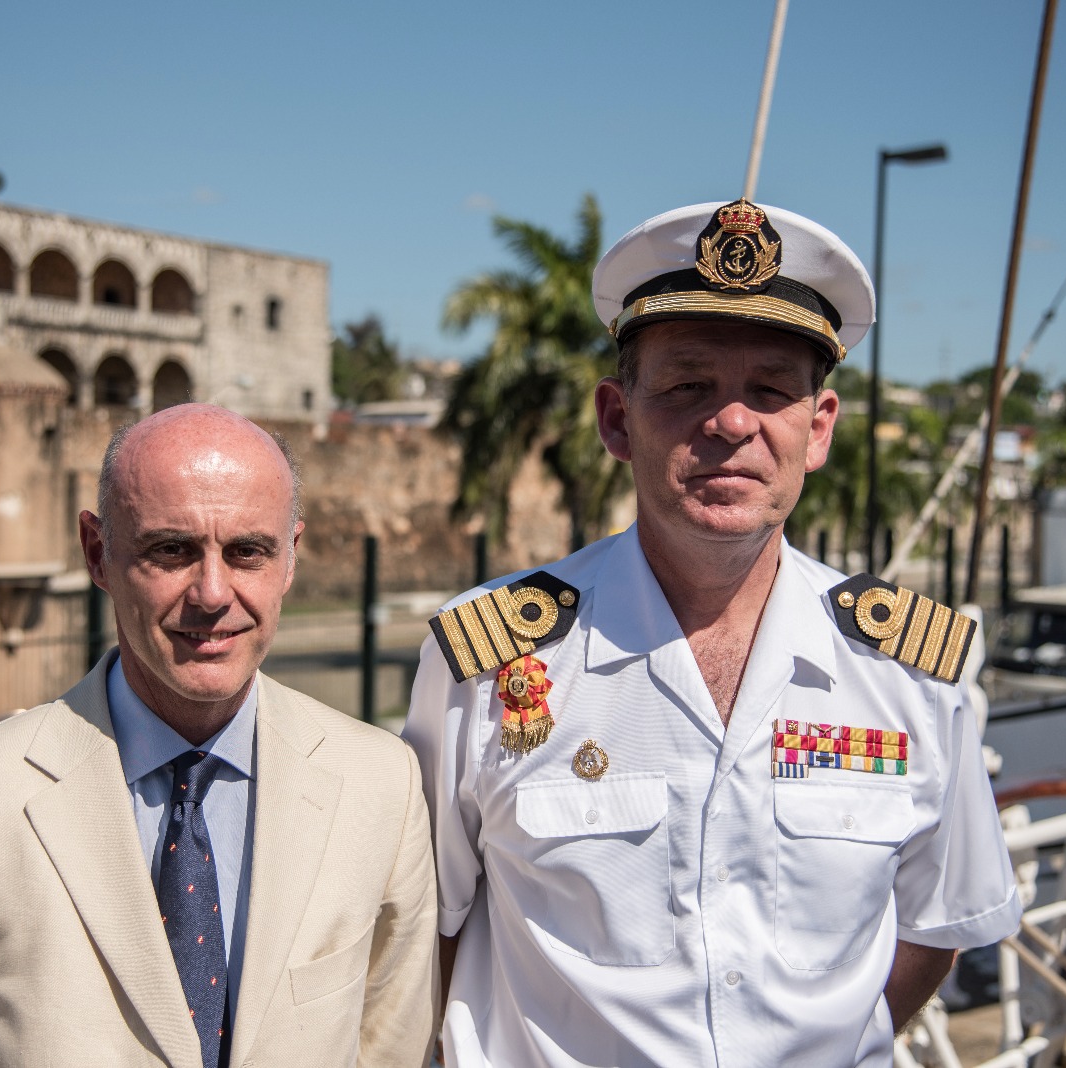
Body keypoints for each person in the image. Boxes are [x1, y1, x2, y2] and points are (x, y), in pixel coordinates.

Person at [403, 200, 1021, 1067]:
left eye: (770, 390)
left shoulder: (910, 674)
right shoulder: (489, 661)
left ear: (818, 429)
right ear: (616, 419)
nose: (731, 423)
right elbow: (424, 929)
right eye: (688, 386)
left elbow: (933, 929)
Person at [0, 403, 438, 1067]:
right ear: (98, 553)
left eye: (247, 552)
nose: (212, 593)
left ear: (290, 557)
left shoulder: (382, 785)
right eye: (171, 550)